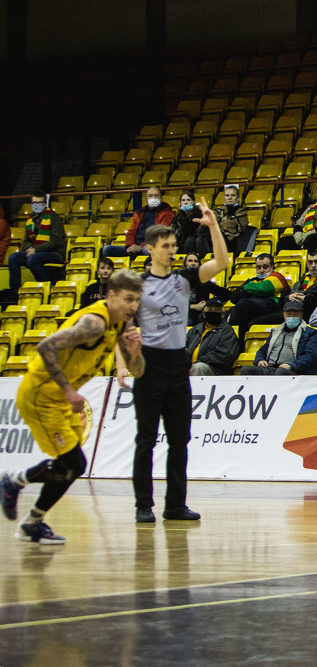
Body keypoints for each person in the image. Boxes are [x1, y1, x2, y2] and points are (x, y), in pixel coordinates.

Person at [1, 271, 145, 545]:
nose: (133, 306)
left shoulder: (122, 324)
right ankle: (21, 497)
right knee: (73, 463)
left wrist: (135, 352)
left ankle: (26, 507)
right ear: (111, 295)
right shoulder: (94, 323)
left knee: (70, 465)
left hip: (60, 398)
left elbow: (137, 371)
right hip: (40, 395)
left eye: (137, 300)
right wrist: (68, 390)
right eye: (128, 299)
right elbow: (45, 346)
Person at [131, 206, 230, 523]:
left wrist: (214, 226)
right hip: (149, 365)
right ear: (150, 249)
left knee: (179, 441)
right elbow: (121, 328)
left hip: (178, 364)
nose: (172, 251)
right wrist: (123, 362)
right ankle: (143, 504)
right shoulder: (137, 285)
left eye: (174, 245)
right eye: (166, 246)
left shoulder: (184, 279)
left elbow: (222, 263)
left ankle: (175, 505)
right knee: (146, 439)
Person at [241, 297, 317, 376]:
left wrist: (292, 365)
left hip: (294, 370)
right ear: (284, 315)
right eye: (289, 315)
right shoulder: (275, 331)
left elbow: (311, 356)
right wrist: (260, 360)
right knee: (246, 370)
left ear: (301, 315)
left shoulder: (310, 332)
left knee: (280, 372)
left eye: (295, 315)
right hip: (270, 368)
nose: (292, 317)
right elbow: (262, 350)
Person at [8, 194, 66, 290]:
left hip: (55, 253)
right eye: (34, 202)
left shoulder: (54, 218)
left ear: (45, 204)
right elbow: (26, 240)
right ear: (31, 204)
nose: (37, 205)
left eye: (40, 202)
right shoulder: (30, 220)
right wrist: (30, 248)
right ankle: (15, 291)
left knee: (32, 259)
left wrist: (36, 250)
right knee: (13, 257)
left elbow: (56, 241)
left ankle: (47, 287)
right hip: (35, 252)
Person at [226, 253, 290, 339]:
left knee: (243, 304)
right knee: (230, 313)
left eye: (265, 267)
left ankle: (241, 341)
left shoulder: (277, 277)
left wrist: (245, 287)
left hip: (273, 308)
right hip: (257, 309)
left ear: (273, 268)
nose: (261, 270)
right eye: (258, 267)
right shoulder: (253, 280)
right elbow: (234, 297)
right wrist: (249, 288)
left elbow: (262, 289)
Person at [104, 187, 174, 258]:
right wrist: (130, 246)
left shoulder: (167, 213)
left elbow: (161, 234)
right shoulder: (139, 213)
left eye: (156, 196)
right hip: (135, 246)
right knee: (107, 249)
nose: (153, 198)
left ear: (161, 198)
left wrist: (141, 246)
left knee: (147, 250)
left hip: (152, 246)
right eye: (150, 196)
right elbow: (131, 232)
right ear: (146, 199)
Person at [279, 181, 317, 252]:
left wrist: (310, 233)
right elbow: (299, 224)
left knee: (311, 239)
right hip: (309, 235)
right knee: (284, 241)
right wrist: (297, 234)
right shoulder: (311, 207)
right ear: (316, 194)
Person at [188, 298, 240, 376]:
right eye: (210, 310)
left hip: (215, 370)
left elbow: (224, 355)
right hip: (190, 365)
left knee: (199, 367)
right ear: (204, 314)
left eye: (217, 310)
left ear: (223, 314)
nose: (213, 312)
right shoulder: (195, 329)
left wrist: (197, 361)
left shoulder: (227, 332)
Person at [216, 184, 255, 253]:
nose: (229, 198)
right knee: (201, 238)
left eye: (233, 195)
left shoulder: (241, 211)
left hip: (233, 241)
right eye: (227, 195)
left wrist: (215, 225)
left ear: (237, 198)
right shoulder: (219, 211)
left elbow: (229, 225)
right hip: (219, 240)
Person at [170, 192, 204, 257]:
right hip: (180, 245)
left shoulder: (199, 216)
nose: (185, 202)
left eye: (188, 200)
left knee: (189, 240)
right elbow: (173, 233)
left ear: (193, 202)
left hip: (193, 244)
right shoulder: (177, 218)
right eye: (183, 200)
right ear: (180, 203)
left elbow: (198, 233)